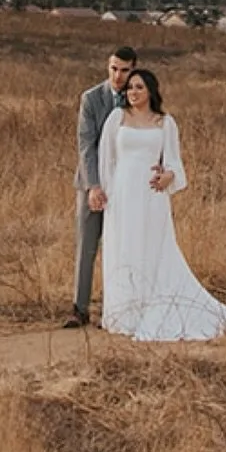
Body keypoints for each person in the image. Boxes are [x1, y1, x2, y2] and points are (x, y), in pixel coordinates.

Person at [96, 67, 226, 341]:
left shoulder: (165, 122)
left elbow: (174, 163)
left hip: (151, 194)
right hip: (122, 193)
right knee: (123, 247)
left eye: (139, 87)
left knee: (152, 247)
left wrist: (169, 175)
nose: (133, 92)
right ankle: (123, 314)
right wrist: (105, 192)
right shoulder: (117, 117)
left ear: (151, 91)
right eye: (130, 87)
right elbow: (106, 158)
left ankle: (152, 306)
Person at [64, 47, 137, 327]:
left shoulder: (138, 97)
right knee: (86, 246)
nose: (118, 75)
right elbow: (86, 145)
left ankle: (115, 309)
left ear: (133, 70)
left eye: (124, 70)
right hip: (92, 183)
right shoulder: (92, 98)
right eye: (113, 68)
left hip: (125, 185)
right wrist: (93, 186)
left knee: (120, 247)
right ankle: (79, 309)